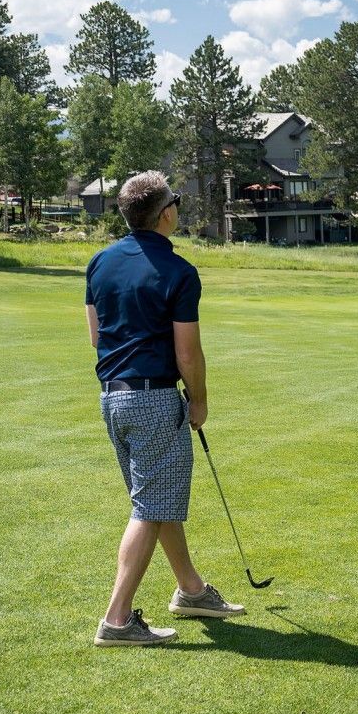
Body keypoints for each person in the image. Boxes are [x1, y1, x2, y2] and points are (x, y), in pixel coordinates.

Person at [84, 170, 245, 647]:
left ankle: (191, 591)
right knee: (150, 506)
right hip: (154, 398)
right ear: (166, 214)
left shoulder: (99, 263)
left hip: (113, 396)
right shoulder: (179, 271)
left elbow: (96, 337)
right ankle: (116, 621)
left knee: (158, 497)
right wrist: (199, 400)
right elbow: (188, 354)